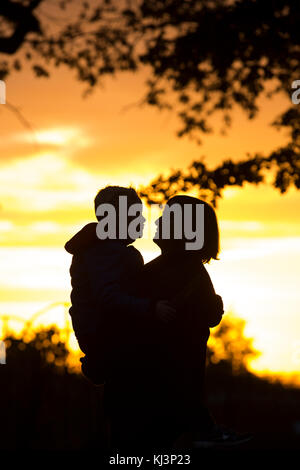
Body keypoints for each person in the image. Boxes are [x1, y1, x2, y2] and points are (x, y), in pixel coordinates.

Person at [113, 195, 251, 451]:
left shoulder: (177, 272)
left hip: (155, 397)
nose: (159, 221)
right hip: (158, 396)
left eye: (167, 218)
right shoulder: (178, 270)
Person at [64, 185, 175, 385]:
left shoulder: (107, 250)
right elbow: (108, 297)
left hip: (101, 336)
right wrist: (151, 308)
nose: (142, 220)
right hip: (105, 337)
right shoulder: (105, 252)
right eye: (135, 215)